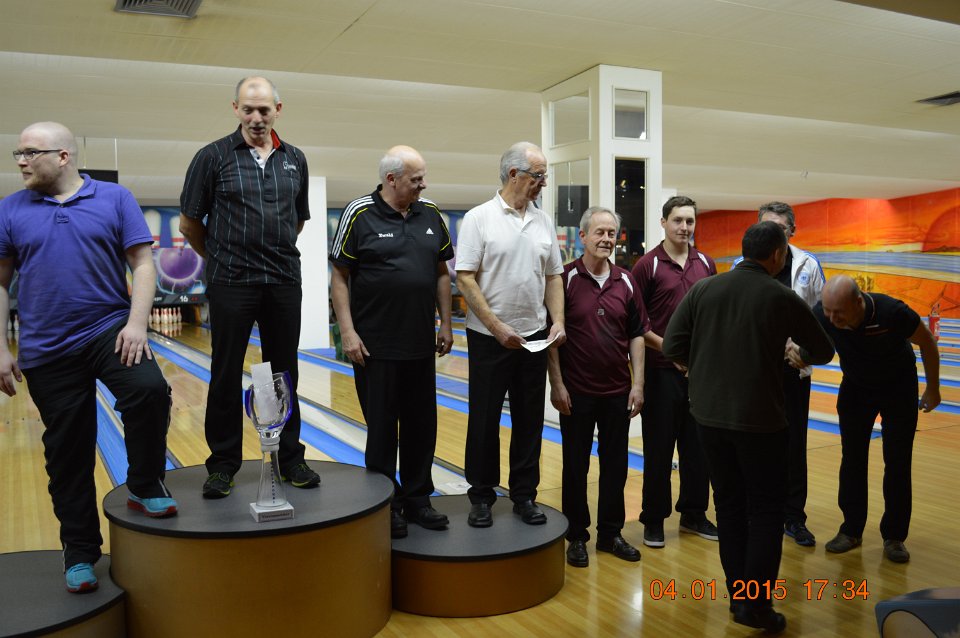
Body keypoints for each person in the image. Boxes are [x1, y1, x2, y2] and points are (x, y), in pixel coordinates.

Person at [0, 122, 177, 593]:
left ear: (63, 156)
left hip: (109, 329)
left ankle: (144, 483)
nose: (20, 161)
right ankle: (79, 550)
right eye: (18, 153)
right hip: (46, 346)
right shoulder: (10, 209)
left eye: (29, 152)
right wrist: (0, 347)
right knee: (68, 452)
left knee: (149, 390)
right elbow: (0, 282)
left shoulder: (115, 198)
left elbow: (143, 264)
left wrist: (136, 324)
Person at [662, 221, 834, 634]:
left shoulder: (704, 289)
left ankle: (738, 598)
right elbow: (824, 350)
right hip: (761, 421)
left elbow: (672, 346)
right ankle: (756, 606)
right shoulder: (780, 295)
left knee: (729, 507)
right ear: (777, 255)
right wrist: (794, 351)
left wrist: (703, 366)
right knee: (767, 511)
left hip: (708, 419)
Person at [180, 76, 319, 498]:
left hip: (282, 280)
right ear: (235, 109)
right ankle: (223, 465)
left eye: (264, 109)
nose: (256, 117)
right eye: (248, 109)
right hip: (231, 282)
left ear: (278, 109)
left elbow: (297, 221)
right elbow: (190, 223)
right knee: (225, 372)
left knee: (284, 372)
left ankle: (290, 458)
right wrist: (221, 257)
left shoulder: (295, 159)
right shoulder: (212, 157)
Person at [330, 146, 454, 538]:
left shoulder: (430, 213)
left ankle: (418, 499)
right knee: (382, 431)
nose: (423, 184)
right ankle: (385, 504)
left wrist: (446, 323)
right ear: (391, 179)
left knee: (421, 427)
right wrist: (347, 332)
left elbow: (441, 272)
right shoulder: (358, 213)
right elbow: (339, 277)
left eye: (423, 177)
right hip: (375, 346)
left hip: (419, 344)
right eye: (416, 179)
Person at [456, 141, 566, 528]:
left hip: (534, 337)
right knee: (484, 420)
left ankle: (524, 495)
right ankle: (481, 496)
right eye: (539, 175)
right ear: (514, 174)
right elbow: (465, 278)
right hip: (489, 339)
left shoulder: (543, 221)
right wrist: (496, 326)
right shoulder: (479, 218)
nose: (544, 182)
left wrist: (557, 321)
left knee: (529, 420)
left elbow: (554, 276)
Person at [807, 275, 940, 563]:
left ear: (858, 302)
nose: (832, 318)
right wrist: (800, 353)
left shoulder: (892, 312)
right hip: (856, 387)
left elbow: (927, 341)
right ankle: (851, 529)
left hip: (898, 387)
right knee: (852, 459)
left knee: (897, 461)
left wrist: (933, 388)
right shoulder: (823, 314)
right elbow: (814, 346)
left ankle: (894, 536)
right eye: (828, 311)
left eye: (839, 312)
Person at [548, 207, 648, 567]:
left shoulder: (626, 281)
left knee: (615, 466)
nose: (607, 239)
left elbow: (637, 335)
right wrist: (557, 384)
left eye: (611, 233)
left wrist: (638, 384)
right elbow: (552, 336)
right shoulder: (565, 279)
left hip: (617, 391)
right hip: (576, 392)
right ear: (583, 237)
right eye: (600, 232)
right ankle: (576, 536)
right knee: (575, 467)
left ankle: (610, 533)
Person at [733, 201, 824, 547]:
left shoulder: (808, 264)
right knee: (753, 445)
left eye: (780, 228)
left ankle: (793, 517)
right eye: (767, 227)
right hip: (754, 373)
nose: (773, 233)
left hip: (793, 372)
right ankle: (755, 511)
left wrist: (803, 350)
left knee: (793, 446)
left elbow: (820, 316)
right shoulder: (742, 265)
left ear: (792, 232)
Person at [630, 195, 717, 548]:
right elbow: (637, 324)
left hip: (699, 374)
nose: (684, 227)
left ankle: (694, 514)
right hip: (661, 373)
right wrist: (671, 350)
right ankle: (653, 519)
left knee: (698, 450)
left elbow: (712, 315)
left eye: (690, 221)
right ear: (663, 222)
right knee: (659, 449)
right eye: (678, 220)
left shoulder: (706, 263)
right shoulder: (647, 265)